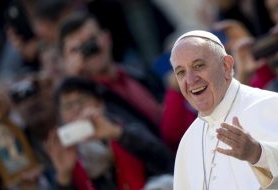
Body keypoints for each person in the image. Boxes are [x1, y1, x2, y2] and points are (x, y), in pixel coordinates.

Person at [170, 30, 278, 189]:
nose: (191, 80)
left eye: (198, 66)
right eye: (181, 72)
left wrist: (257, 153)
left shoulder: (270, 104)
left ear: (226, 66)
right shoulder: (188, 142)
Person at [45, 76, 174, 190]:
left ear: (100, 104)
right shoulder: (63, 154)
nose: (76, 109)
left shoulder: (125, 129)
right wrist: (64, 176)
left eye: (82, 100)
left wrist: (118, 134)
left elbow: (166, 162)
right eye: (68, 106)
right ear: (61, 117)